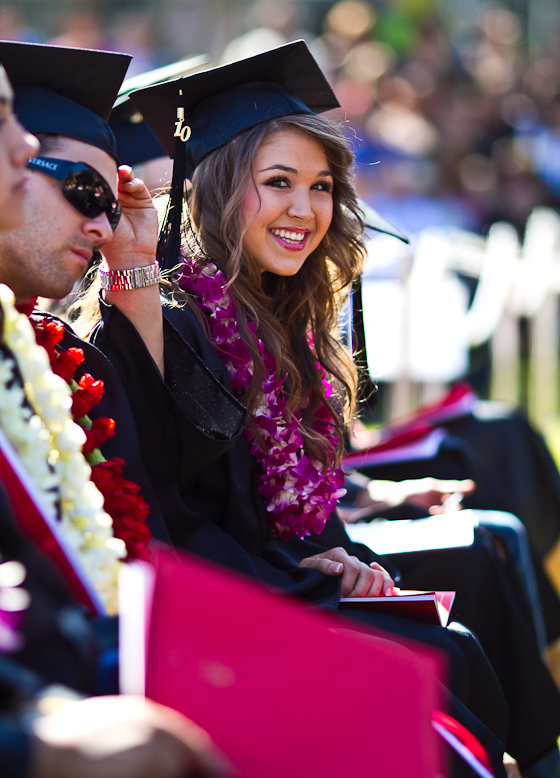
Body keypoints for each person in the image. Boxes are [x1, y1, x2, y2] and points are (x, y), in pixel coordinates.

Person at [74, 40, 553, 776]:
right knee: (444, 649)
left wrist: (326, 547)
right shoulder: (177, 318)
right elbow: (173, 491)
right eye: (278, 182)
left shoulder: (278, 310)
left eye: (322, 186)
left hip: (272, 568)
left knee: (459, 619)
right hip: (211, 598)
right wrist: (301, 565)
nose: (306, 208)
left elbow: (284, 491)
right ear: (217, 185)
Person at [0, 48, 231, 778]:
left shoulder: (53, 359)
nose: (103, 222)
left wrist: (134, 271)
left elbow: (169, 491)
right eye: (81, 190)